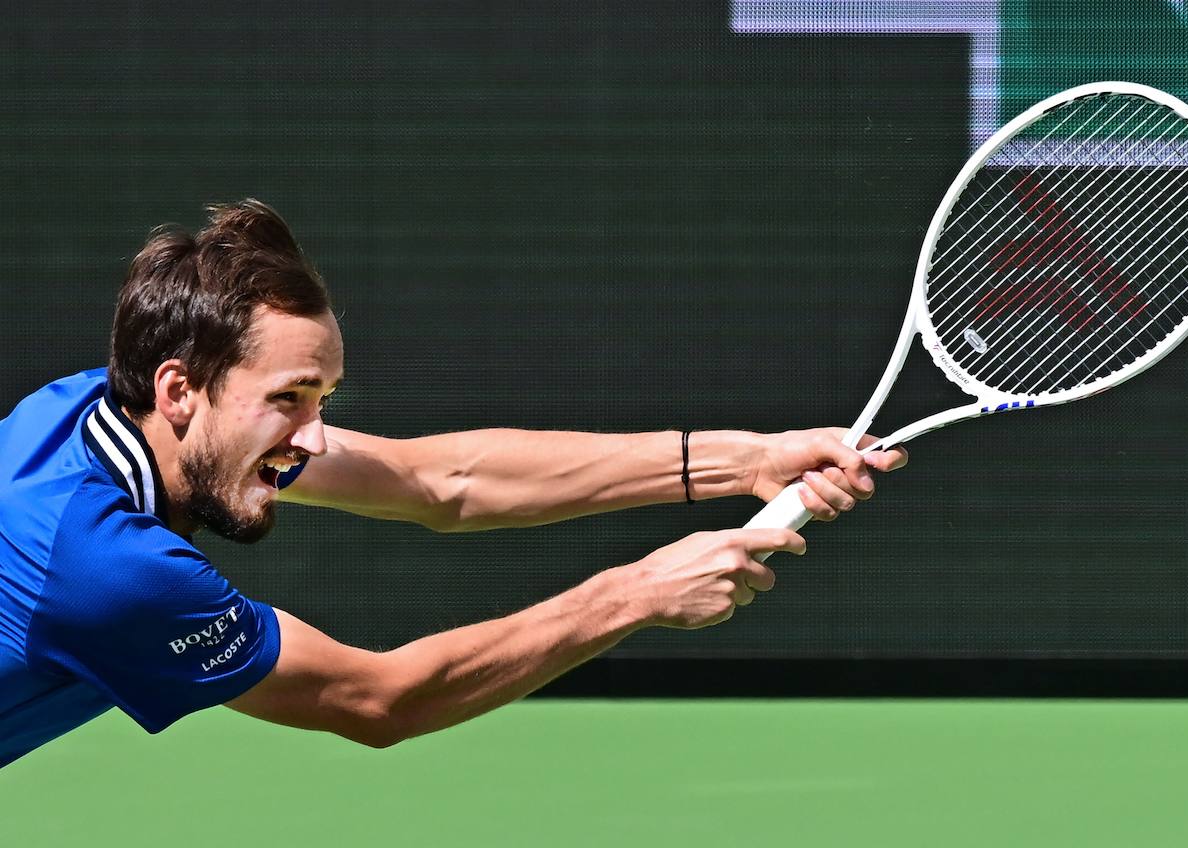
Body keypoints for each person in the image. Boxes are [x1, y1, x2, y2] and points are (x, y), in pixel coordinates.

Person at [0, 200, 906, 765]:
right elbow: (380, 701)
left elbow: (443, 481)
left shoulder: (86, 410)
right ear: (182, 389)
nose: (314, 435)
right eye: (288, 399)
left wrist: (743, 460)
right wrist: (634, 592)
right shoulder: (106, 571)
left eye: (324, 397)